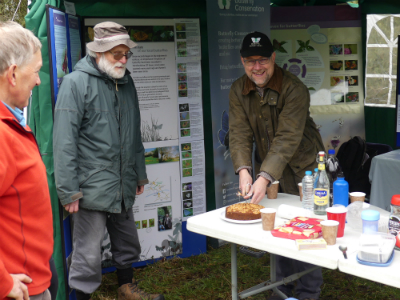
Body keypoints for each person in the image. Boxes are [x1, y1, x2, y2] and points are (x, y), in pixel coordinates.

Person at [53, 22, 164, 300]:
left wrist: (139, 174)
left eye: (127, 53)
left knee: (127, 241)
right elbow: (63, 142)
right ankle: (83, 297)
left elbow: (134, 131)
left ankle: (126, 286)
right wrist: (68, 191)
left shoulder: (126, 82)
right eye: (117, 54)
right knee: (88, 253)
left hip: (123, 181)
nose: (124, 60)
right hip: (90, 186)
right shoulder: (75, 83)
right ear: (98, 52)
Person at [229, 31, 325, 300]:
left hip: (305, 170)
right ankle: (281, 287)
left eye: (262, 60)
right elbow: (238, 133)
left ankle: (308, 291)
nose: (257, 67)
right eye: (250, 61)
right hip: (267, 171)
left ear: (273, 58)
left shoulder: (294, 89)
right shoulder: (238, 89)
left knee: (306, 229)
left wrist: (264, 176)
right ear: (242, 61)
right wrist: (244, 170)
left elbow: (287, 138)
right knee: (277, 228)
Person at [0, 21, 54, 300]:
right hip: (19, 289)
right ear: (13, 74)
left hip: (34, 273)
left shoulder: (12, 120)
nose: (39, 80)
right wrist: (3, 282)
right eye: (35, 72)